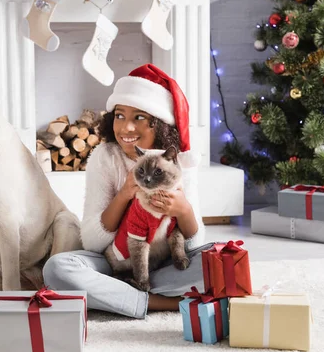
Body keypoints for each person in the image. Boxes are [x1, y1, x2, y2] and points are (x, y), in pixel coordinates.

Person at [43, 64, 213, 319]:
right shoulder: (104, 156)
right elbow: (91, 241)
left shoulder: (178, 161)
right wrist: (124, 194)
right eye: (120, 116)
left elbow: (194, 247)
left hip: (164, 264)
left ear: (161, 124)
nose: (126, 128)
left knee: (217, 265)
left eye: (139, 118)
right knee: (57, 269)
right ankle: (159, 302)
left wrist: (183, 210)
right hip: (114, 264)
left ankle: (114, 295)